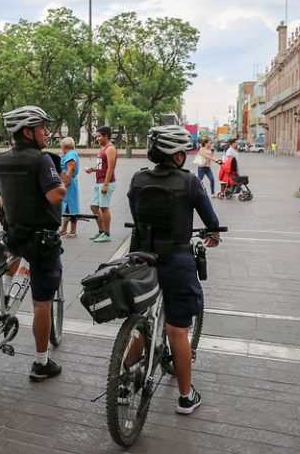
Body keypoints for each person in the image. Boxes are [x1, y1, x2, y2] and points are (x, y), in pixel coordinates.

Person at [127, 125, 221, 415]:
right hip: (177, 262)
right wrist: (213, 234)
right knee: (177, 330)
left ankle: (122, 378)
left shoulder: (138, 178)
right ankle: (185, 397)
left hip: (143, 258)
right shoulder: (190, 182)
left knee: (143, 317)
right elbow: (211, 219)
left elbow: (136, 215)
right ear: (177, 155)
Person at [0, 105, 66, 382]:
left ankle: (4, 303)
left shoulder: (0, 159)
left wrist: (3, 216)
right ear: (28, 131)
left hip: (14, 234)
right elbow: (56, 196)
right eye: (43, 127)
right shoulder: (42, 160)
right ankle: (41, 363)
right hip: (42, 241)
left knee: (12, 257)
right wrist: (64, 182)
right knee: (42, 304)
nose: (47, 133)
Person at [84, 126, 117, 243]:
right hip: (99, 181)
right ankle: (101, 231)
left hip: (105, 182)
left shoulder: (110, 149)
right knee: (94, 207)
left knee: (104, 208)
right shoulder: (102, 148)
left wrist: (106, 184)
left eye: (99, 136)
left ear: (106, 136)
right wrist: (91, 169)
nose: (97, 138)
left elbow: (111, 167)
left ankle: (106, 234)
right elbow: (100, 166)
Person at [58, 137, 80, 238]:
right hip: (68, 182)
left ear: (64, 146)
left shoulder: (70, 155)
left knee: (71, 207)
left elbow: (70, 169)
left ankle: (73, 230)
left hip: (69, 184)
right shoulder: (69, 154)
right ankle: (64, 229)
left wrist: (65, 184)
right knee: (66, 206)